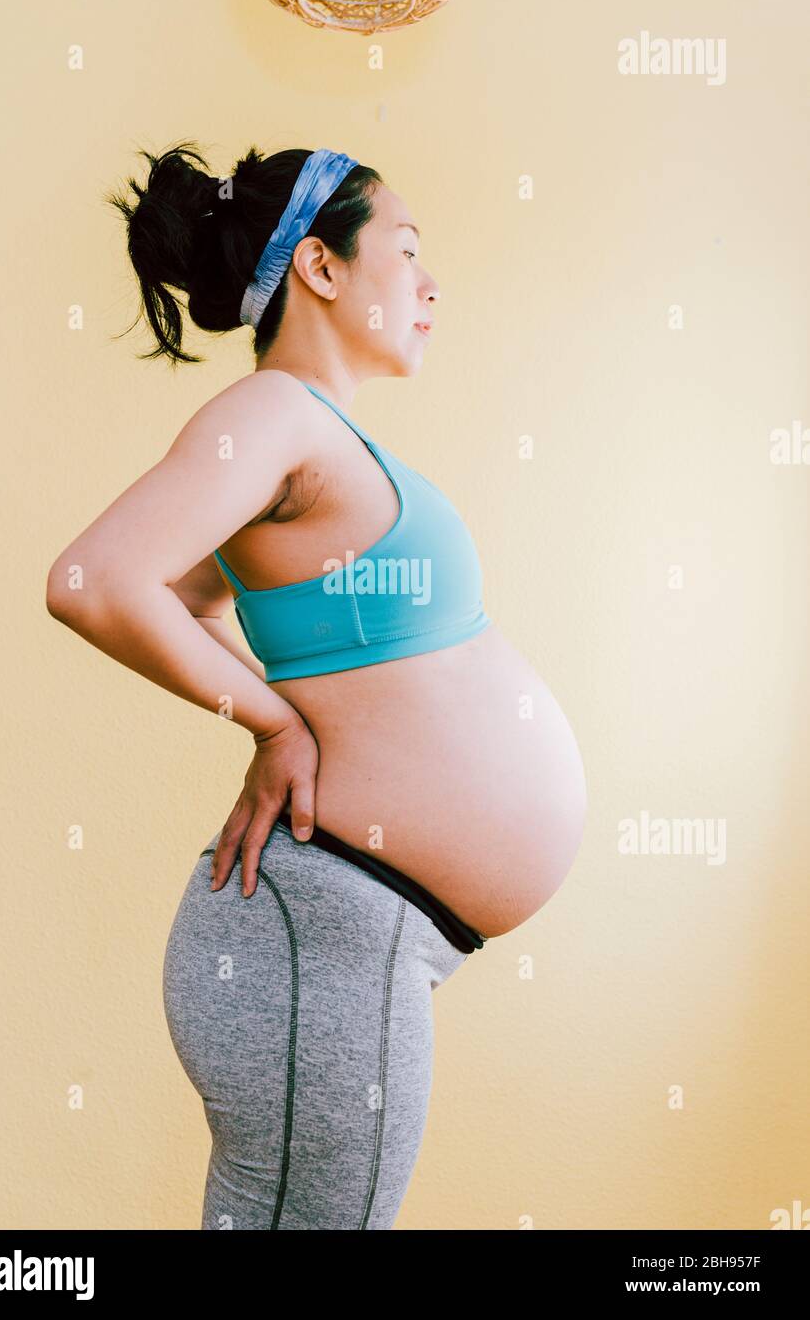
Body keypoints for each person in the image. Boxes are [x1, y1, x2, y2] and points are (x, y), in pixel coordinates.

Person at [46, 142, 587, 1229]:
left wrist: (276, 715)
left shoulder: (312, 437)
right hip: (318, 941)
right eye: (406, 250)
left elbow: (191, 596)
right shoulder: (276, 415)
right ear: (322, 270)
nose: (430, 284)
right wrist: (276, 721)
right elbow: (94, 580)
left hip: (350, 937)